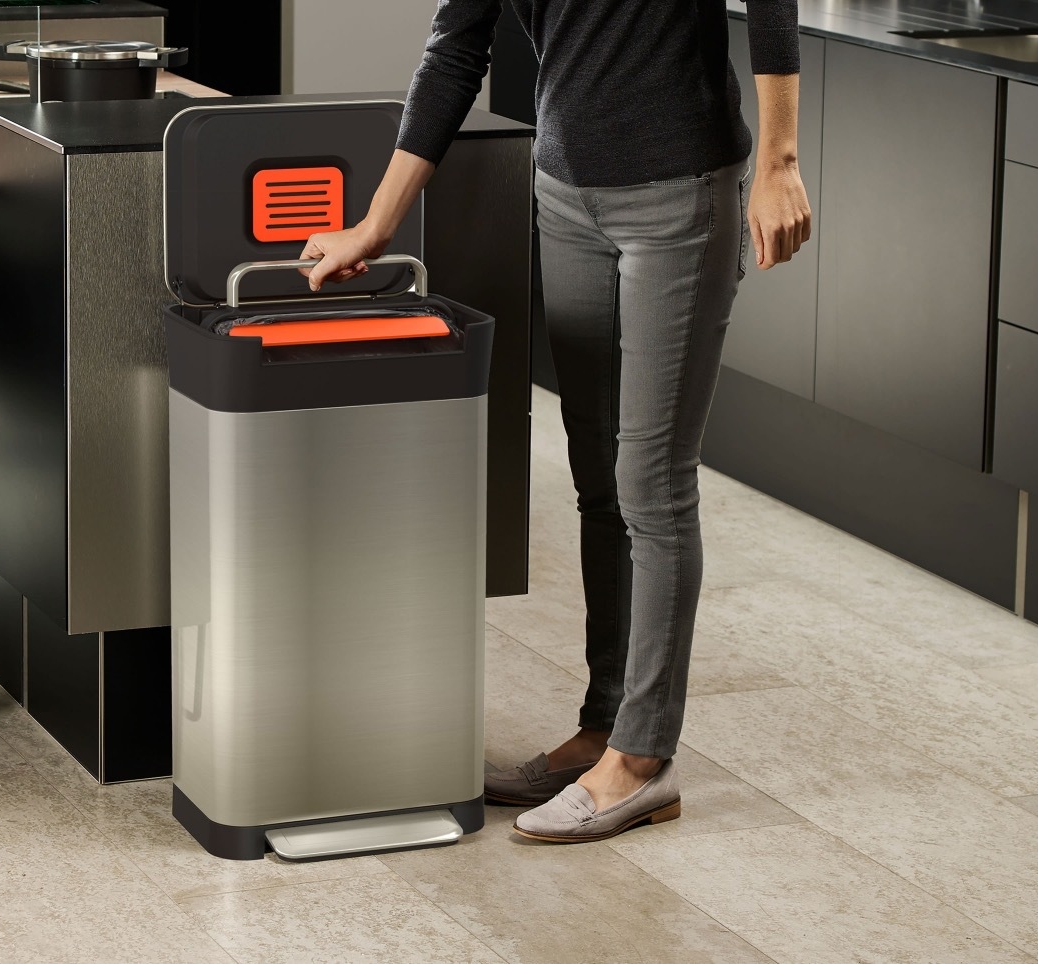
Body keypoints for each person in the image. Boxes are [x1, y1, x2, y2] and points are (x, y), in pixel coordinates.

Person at [298, 0, 811, 844]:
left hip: (680, 194)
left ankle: (643, 759)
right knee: (597, 480)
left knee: (650, 483)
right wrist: (375, 223)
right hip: (567, 195)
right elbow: (454, 51)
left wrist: (780, 158)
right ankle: (605, 725)